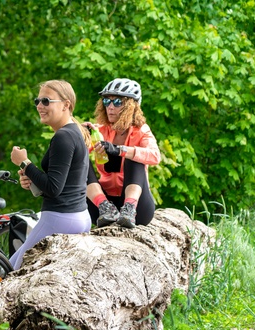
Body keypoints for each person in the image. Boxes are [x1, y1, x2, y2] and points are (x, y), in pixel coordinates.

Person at [9, 80, 92, 270]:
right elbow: (64, 181)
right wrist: (31, 178)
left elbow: (54, 188)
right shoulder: (73, 132)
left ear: (66, 105)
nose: (39, 106)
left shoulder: (63, 136)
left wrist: (24, 162)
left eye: (46, 101)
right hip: (78, 217)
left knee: (11, 272)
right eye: (38, 101)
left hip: (60, 218)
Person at [86, 78, 161, 229]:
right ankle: (104, 206)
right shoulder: (100, 131)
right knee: (79, 159)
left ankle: (128, 210)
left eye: (117, 102)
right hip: (101, 209)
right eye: (107, 101)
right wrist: (80, 135)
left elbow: (155, 156)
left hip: (139, 209)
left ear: (130, 106)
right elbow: (71, 156)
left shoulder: (142, 131)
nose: (110, 107)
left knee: (134, 157)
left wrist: (120, 150)